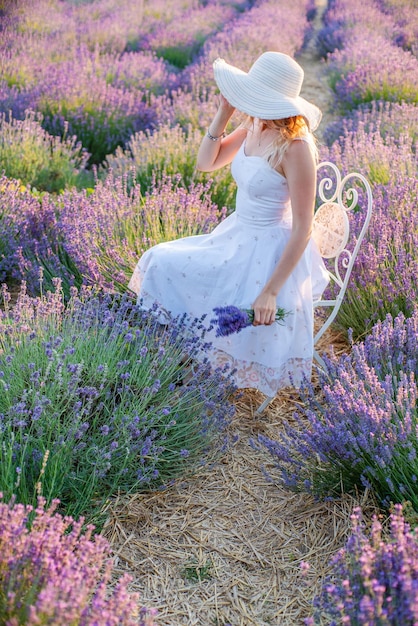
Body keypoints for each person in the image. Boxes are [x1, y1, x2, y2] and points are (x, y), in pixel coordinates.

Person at [128, 51, 330, 398]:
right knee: (158, 259)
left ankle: (199, 362)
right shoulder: (254, 125)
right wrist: (224, 111)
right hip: (237, 234)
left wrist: (269, 290)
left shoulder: (296, 148)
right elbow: (207, 163)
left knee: (176, 269)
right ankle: (177, 357)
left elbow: (303, 227)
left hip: (269, 249)